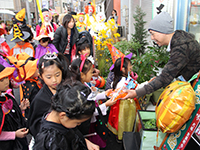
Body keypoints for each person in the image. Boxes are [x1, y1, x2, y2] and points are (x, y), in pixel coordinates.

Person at [123, 11, 200, 100]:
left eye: (152, 33)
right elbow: (172, 71)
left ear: (162, 31)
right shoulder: (180, 41)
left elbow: (166, 77)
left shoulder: (181, 47)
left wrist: (136, 92)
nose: (152, 38)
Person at [33, 80, 98, 150]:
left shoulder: (60, 112)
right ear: (63, 116)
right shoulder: (51, 140)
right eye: (77, 122)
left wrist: (85, 141)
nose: (78, 124)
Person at [70, 56, 116, 147]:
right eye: (91, 72)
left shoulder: (83, 84)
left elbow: (91, 98)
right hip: (88, 125)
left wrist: (104, 94)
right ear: (82, 75)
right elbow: (89, 111)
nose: (92, 75)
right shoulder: (79, 91)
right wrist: (106, 104)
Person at [107, 56, 150, 141]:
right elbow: (137, 87)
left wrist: (148, 83)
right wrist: (148, 83)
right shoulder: (124, 83)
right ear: (123, 69)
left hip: (121, 105)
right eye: (130, 65)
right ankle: (124, 138)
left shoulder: (122, 80)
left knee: (121, 122)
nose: (131, 67)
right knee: (125, 121)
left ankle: (121, 137)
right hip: (125, 106)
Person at [28, 53, 70, 139]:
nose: (54, 80)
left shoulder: (68, 88)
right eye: (49, 77)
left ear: (62, 70)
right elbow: (35, 126)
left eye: (57, 75)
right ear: (41, 76)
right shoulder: (40, 100)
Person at [0, 64, 29, 149]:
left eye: (6, 78)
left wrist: (20, 109)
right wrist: (14, 134)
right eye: (2, 80)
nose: (6, 82)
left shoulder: (8, 96)